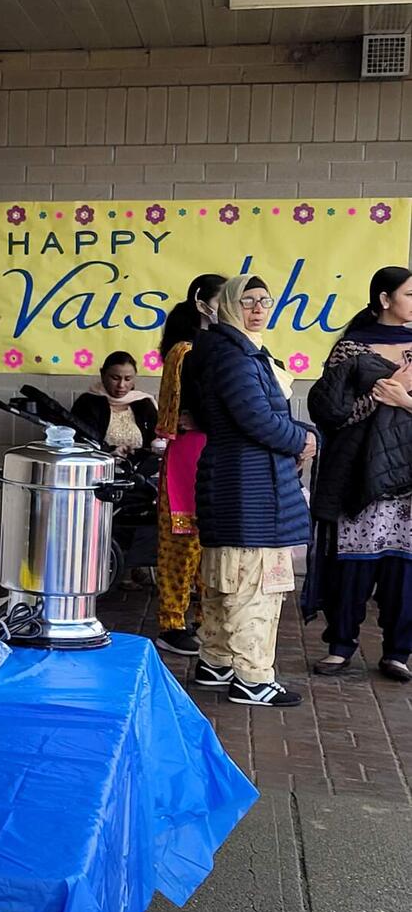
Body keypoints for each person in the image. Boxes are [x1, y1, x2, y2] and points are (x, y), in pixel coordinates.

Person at [186, 274, 314, 707]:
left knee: (226, 578)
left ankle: (216, 662)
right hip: (250, 487)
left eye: (265, 300)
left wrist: (301, 435)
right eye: (247, 300)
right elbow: (255, 419)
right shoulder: (236, 356)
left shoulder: (224, 351)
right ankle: (252, 678)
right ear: (227, 305)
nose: (258, 309)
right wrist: (304, 440)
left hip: (235, 480)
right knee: (257, 585)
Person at [306, 265, 412, 682]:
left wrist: (404, 400)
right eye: (409, 294)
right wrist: (378, 393)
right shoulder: (350, 348)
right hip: (358, 471)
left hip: (408, 476)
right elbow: (331, 412)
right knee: (353, 561)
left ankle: (398, 651)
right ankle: (340, 645)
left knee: (403, 564)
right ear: (384, 299)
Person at [152, 275, 227, 657]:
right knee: (182, 543)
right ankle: (172, 623)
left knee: (209, 544)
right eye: (223, 300)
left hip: (217, 452)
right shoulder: (185, 351)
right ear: (201, 303)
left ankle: (202, 619)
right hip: (189, 454)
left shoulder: (226, 348)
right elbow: (181, 413)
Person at [71, 351, 160, 458]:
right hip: (100, 463)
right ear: (103, 375)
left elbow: (156, 440)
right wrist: (110, 450)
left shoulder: (143, 403)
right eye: (115, 378)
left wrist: (138, 453)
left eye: (128, 379)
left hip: (139, 466)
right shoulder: (87, 403)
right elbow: (82, 441)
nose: (121, 385)